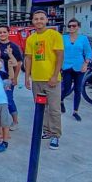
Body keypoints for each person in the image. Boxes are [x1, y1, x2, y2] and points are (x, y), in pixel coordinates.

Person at [24, 10, 64, 150]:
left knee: (54, 108)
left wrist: (54, 75)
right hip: (37, 79)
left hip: (52, 79)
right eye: (36, 19)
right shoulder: (31, 39)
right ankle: (47, 131)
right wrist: (27, 77)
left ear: (46, 20)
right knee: (41, 108)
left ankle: (55, 135)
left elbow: (59, 56)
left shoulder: (54, 35)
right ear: (32, 21)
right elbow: (28, 58)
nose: (39, 21)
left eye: (41, 18)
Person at [61, 18, 92, 121]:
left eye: (74, 26)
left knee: (77, 89)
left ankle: (76, 111)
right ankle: (61, 100)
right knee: (66, 87)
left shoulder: (83, 39)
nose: (71, 28)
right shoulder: (63, 38)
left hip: (79, 66)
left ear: (78, 27)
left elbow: (88, 52)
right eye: (69, 26)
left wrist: (86, 63)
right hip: (66, 66)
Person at [0, 26, 23, 130]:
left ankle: (15, 120)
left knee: (8, 99)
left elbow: (19, 63)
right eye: (0, 32)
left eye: (4, 32)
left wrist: (15, 78)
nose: (2, 34)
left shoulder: (14, 46)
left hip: (8, 78)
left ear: (8, 33)